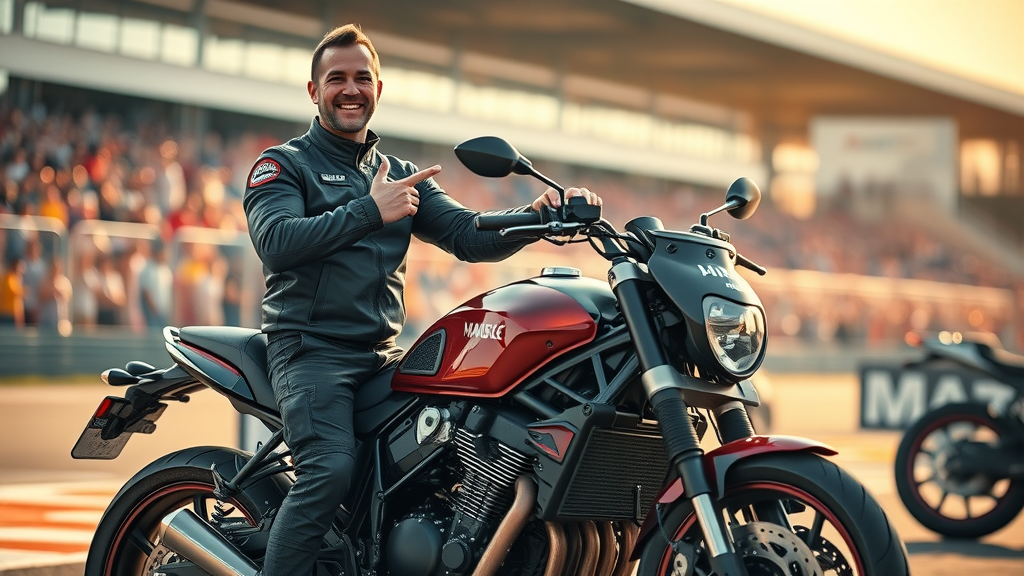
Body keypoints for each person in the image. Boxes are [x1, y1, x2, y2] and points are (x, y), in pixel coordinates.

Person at [242, 24, 601, 576]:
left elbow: (469, 234)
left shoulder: (402, 176)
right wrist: (369, 210)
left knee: (455, 442)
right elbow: (276, 241)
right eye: (335, 78)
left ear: (378, 91)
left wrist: (538, 216)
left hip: (381, 355)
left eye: (362, 78)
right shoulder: (283, 163)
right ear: (313, 92)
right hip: (310, 353)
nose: (350, 88)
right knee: (330, 470)